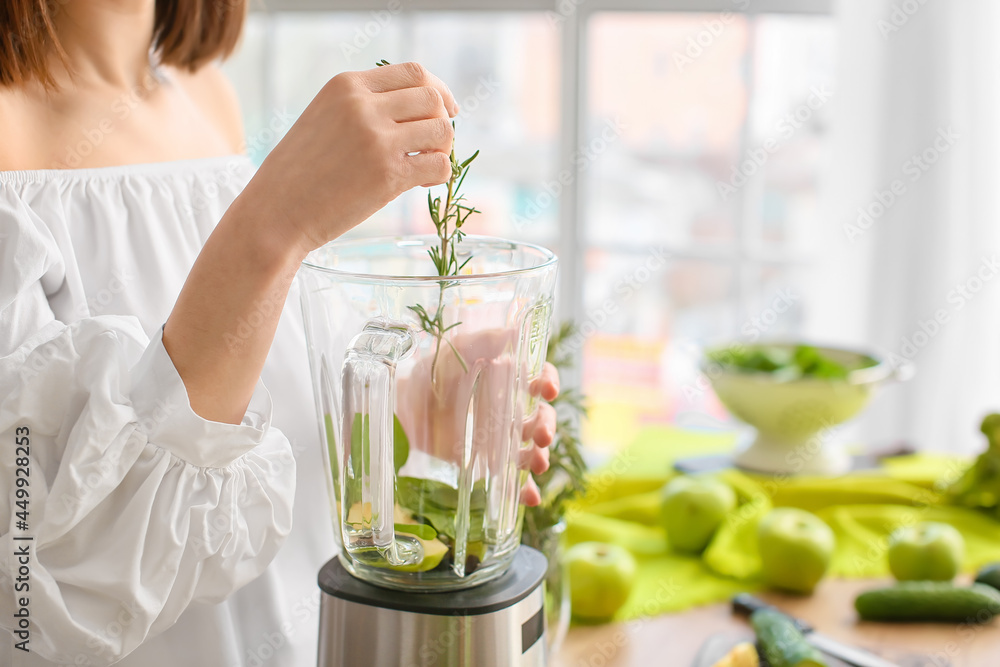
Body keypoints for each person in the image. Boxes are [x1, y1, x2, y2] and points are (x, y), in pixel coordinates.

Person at [0, 1, 559, 665]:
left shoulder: (206, 96)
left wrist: (411, 407)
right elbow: (41, 593)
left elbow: (247, 417)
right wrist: (276, 220)